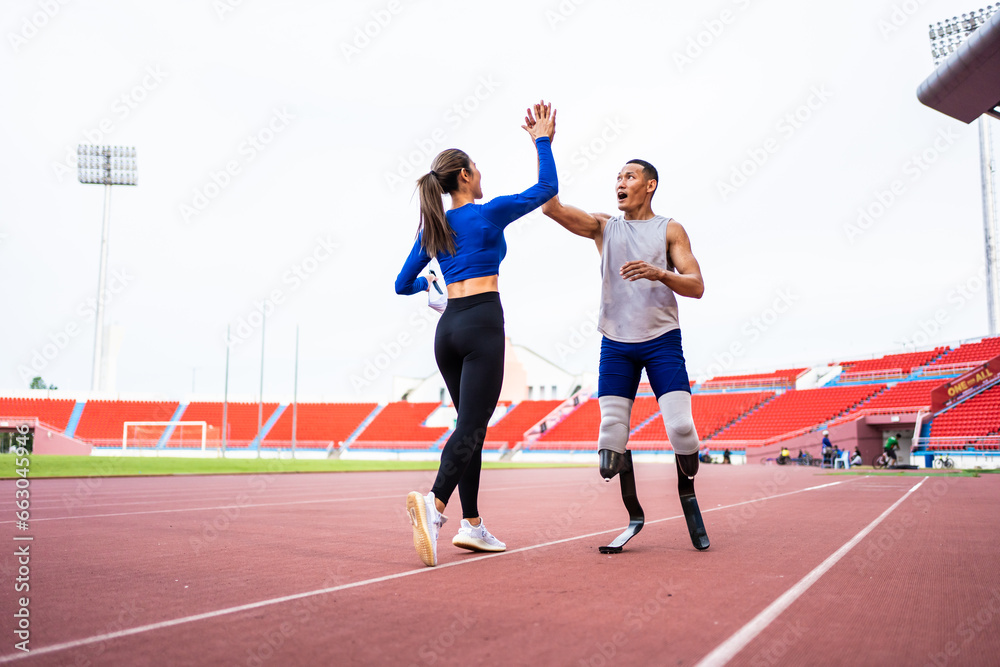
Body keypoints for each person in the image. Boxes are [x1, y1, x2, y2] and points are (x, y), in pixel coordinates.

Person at [395, 101, 558, 567]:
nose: (481, 174)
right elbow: (547, 188)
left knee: (472, 428)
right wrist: (542, 140)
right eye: (477, 168)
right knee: (471, 426)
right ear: (465, 176)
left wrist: (433, 289)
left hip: (447, 331)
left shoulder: (434, 225)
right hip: (484, 322)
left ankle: (472, 525)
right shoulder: (488, 214)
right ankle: (435, 506)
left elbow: (401, 283)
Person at [537, 146, 709, 551]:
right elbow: (551, 208)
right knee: (608, 452)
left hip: (662, 341)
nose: (620, 182)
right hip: (615, 342)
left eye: (629, 176)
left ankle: (688, 477)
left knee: (681, 428)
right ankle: (634, 510)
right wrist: (543, 145)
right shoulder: (604, 227)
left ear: (649, 186)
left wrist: (658, 272)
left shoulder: (670, 230)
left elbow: (697, 286)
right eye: (618, 177)